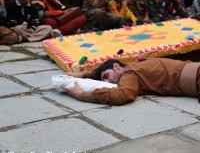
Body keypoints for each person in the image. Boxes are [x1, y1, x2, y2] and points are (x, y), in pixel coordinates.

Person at [62, 58, 200, 105]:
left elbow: (122, 95)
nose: (108, 82)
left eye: (106, 77)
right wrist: (81, 75)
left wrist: (83, 94)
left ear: (117, 67)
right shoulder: (131, 66)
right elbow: (99, 71)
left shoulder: (129, 74)